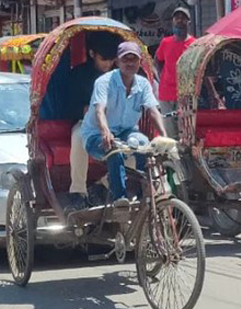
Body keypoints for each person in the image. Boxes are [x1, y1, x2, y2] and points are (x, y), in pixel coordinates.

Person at [81, 42, 168, 206]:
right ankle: (119, 199)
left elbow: (152, 110)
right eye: (125, 59)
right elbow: (100, 109)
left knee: (145, 145)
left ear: (139, 62)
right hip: (96, 135)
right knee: (115, 151)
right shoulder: (104, 82)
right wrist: (105, 132)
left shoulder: (143, 84)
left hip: (127, 132)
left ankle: (145, 193)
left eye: (133, 59)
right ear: (118, 62)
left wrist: (164, 135)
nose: (129, 63)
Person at [67, 33, 119, 211]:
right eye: (104, 59)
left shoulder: (119, 77)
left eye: (112, 60)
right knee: (79, 138)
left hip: (114, 126)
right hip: (85, 124)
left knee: (137, 151)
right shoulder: (78, 75)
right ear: (92, 54)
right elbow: (69, 105)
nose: (108, 64)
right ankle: (78, 192)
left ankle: (101, 186)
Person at [155, 6, 195, 136]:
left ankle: (185, 156)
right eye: (177, 18)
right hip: (166, 93)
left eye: (183, 18)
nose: (179, 20)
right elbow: (157, 60)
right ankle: (172, 156)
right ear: (172, 21)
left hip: (185, 94)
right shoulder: (165, 42)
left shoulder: (194, 44)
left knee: (185, 131)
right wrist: (161, 77)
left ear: (189, 22)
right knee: (169, 132)